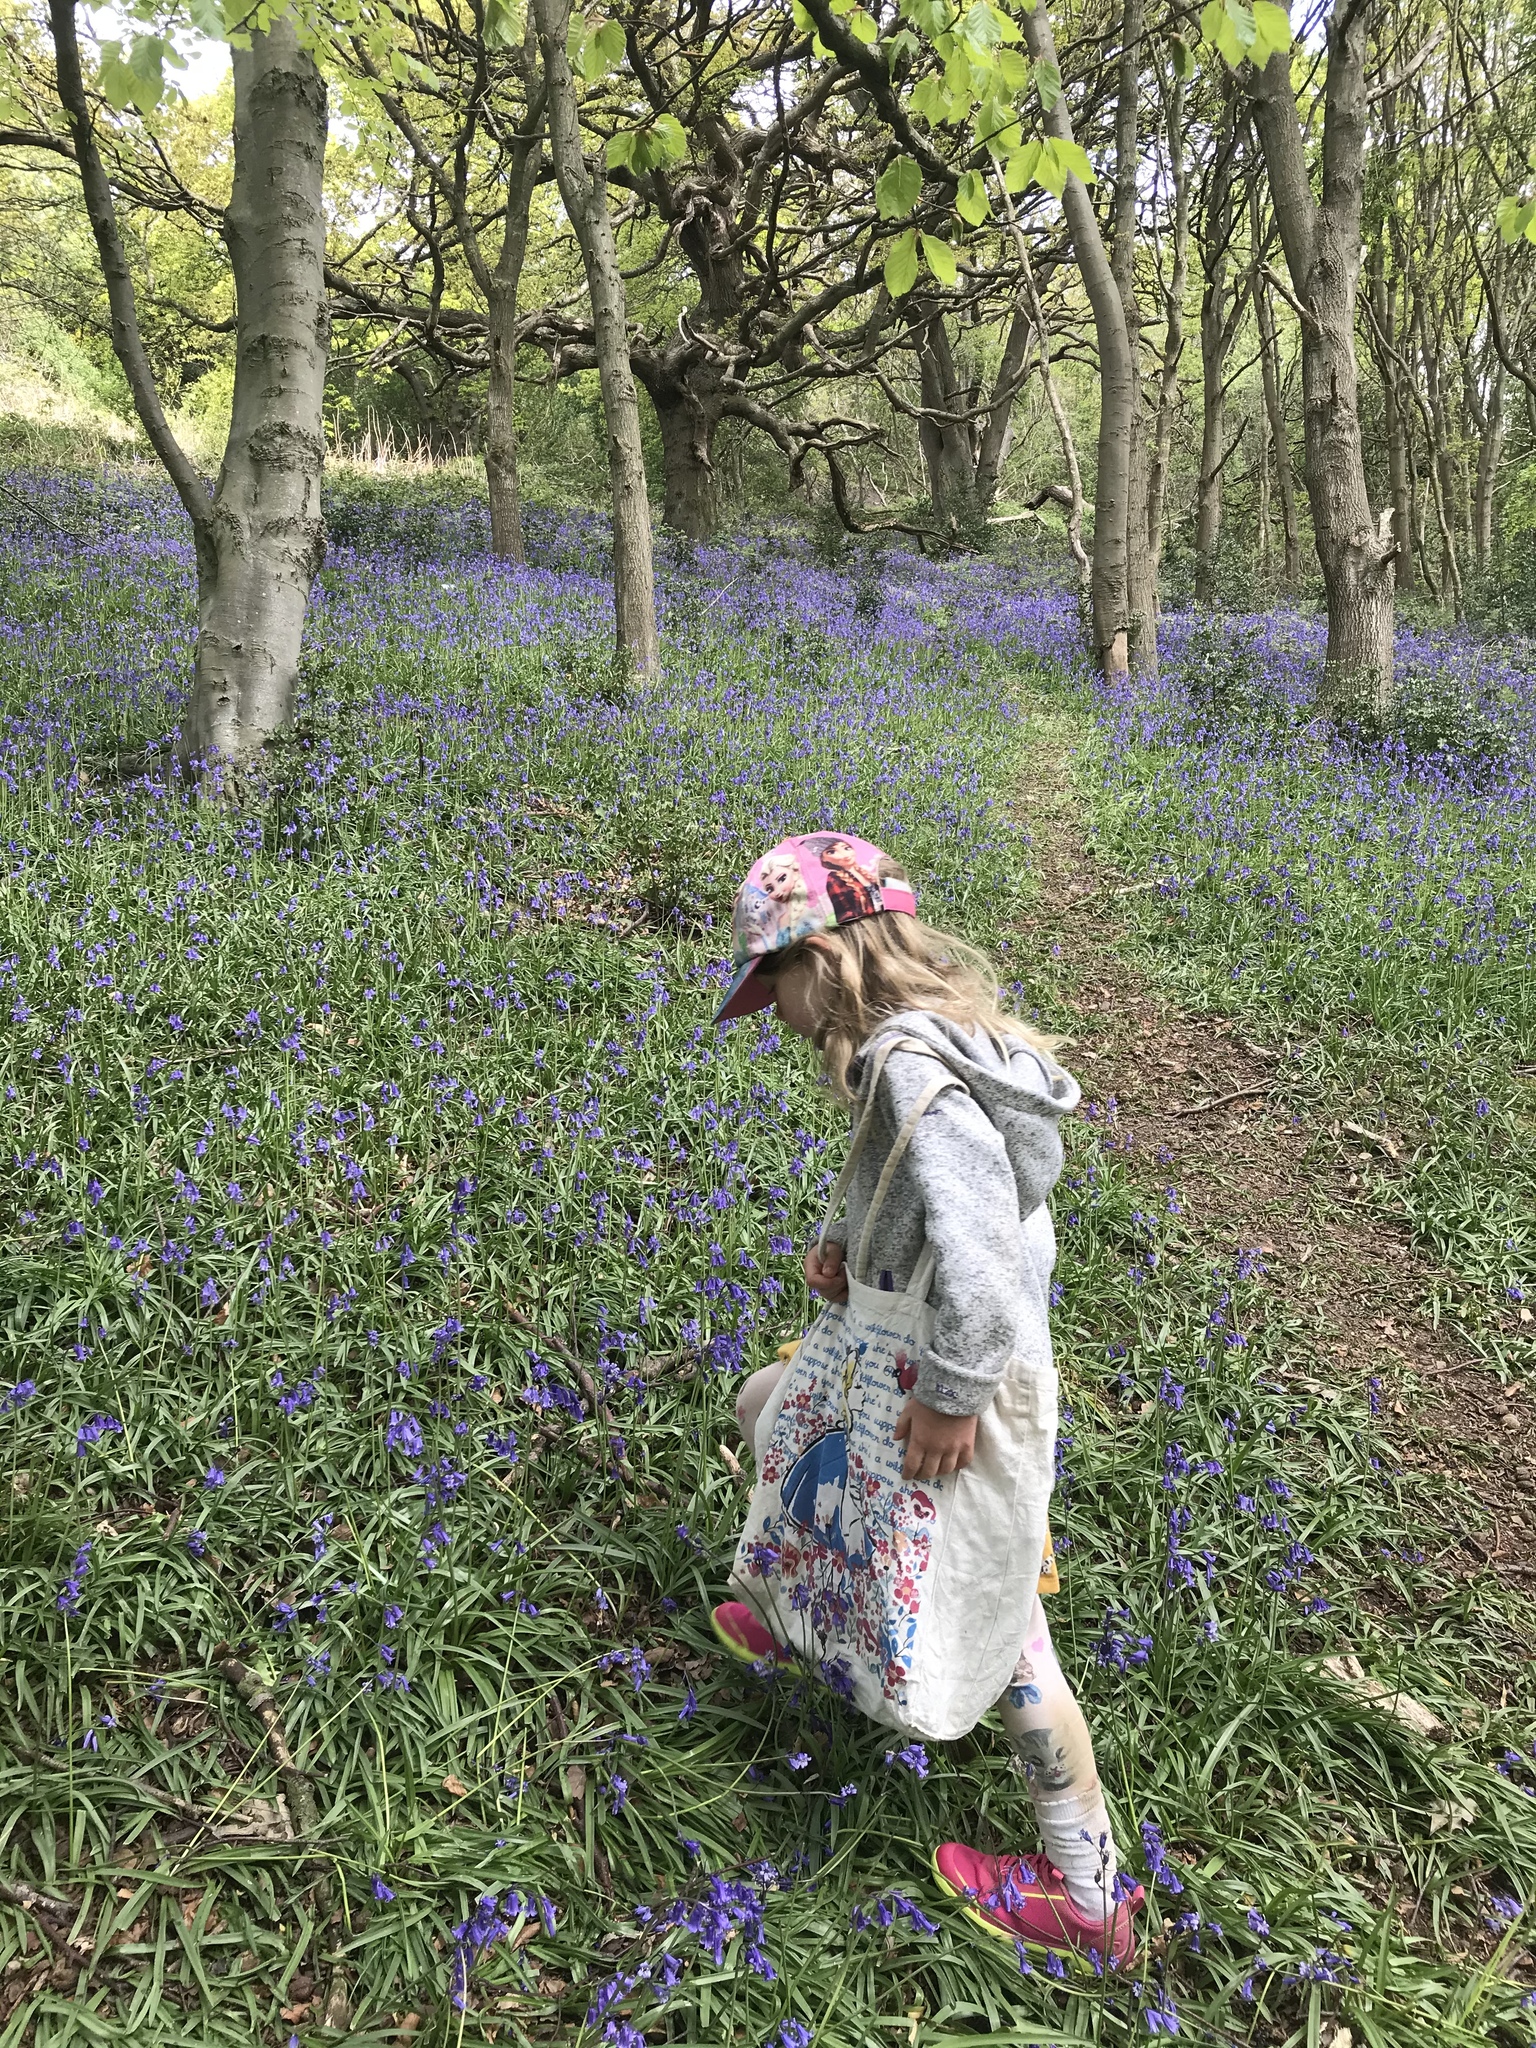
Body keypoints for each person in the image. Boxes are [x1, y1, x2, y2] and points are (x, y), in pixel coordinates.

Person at [709, 831, 1143, 1971]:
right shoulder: (941, 1035)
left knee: (1007, 1627)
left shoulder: (907, 1062)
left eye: (775, 986)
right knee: (773, 1407)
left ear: (823, 962)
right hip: (904, 1350)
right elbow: (898, 1171)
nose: (779, 1018)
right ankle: (800, 1614)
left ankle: (1089, 1891)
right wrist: (846, 1243)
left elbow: (984, 1255)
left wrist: (952, 1398)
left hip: (954, 1384)